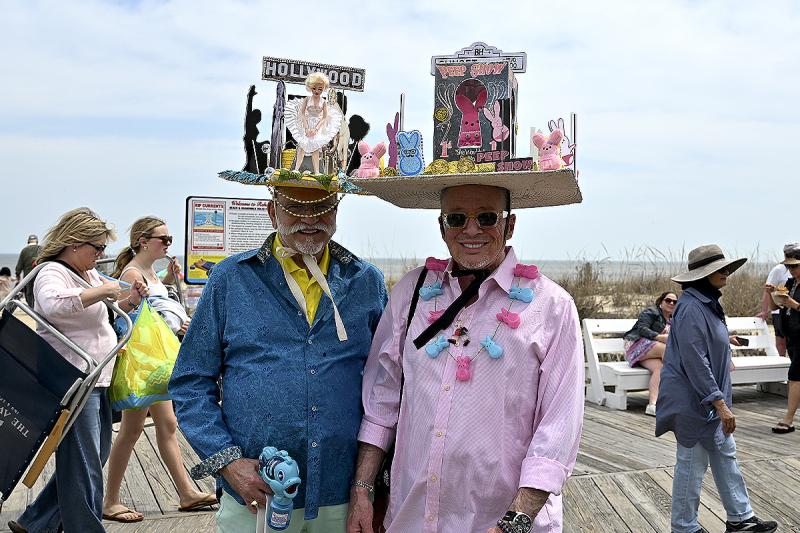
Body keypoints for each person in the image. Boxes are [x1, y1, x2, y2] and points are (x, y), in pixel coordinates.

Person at [347, 175, 584, 532]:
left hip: (502, 522)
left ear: (510, 224)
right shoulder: (411, 292)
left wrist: (514, 522)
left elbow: (558, 427)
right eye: (456, 218)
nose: (471, 230)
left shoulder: (552, 307)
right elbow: (381, 402)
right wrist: (362, 490)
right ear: (442, 227)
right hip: (412, 519)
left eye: (486, 217)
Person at [169, 173, 387, 533]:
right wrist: (228, 463)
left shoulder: (366, 281)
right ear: (272, 212)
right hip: (255, 493)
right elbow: (190, 383)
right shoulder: (229, 280)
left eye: (322, 207)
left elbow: (388, 387)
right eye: (294, 208)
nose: (309, 219)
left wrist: (366, 485)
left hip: (343, 494)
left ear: (337, 211)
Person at [8, 208, 147, 533]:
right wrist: (103, 291)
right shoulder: (51, 272)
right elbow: (54, 304)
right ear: (73, 243)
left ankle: (37, 522)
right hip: (71, 378)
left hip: (94, 377)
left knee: (93, 455)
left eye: (102, 249)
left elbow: (107, 311)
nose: (101, 255)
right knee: (84, 464)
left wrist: (132, 301)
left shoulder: (86, 274)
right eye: (96, 248)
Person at [656, 244, 778, 533]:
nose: (726, 273)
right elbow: (694, 360)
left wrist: (726, 344)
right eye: (719, 269)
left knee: (725, 456)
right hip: (694, 400)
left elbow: (706, 343)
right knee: (691, 464)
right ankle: (684, 527)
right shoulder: (691, 307)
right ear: (703, 275)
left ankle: (740, 518)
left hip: (710, 397)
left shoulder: (706, 302)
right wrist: (719, 403)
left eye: (726, 268)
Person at [101, 216, 215, 524]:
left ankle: (186, 492)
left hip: (157, 361)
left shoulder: (148, 271)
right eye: (163, 239)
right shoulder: (131, 271)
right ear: (143, 241)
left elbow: (155, 303)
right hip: (145, 362)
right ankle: (110, 500)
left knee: (167, 425)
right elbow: (125, 310)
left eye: (169, 239)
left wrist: (167, 280)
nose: (167, 243)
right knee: (132, 430)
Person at [623, 291, 678, 416]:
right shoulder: (651, 312)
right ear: (661, 302)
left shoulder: (673, 320)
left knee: (659, 369)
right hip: (636, 345)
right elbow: (642, 329)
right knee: (668, 351)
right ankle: (675, 396)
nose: (671, 303)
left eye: (674, 302)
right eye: (668, 300)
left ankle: (652, 405)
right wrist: (658, 337)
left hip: (650, 351)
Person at [285, 72, 343, 174]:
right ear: (310, 87)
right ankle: (296, 169)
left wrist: (317, 129)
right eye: (314, 88)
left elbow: (324, 117)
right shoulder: (307, 99)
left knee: (316, 148)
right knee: (302, 146)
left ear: (323, 89)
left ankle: (316, 171)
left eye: (320, 89)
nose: (317, 91)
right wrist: (306, 128)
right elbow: (302, 114)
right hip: (306, 124)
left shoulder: (323, 102)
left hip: (317, 126)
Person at [769, 251, 800, 434]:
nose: (791, 269)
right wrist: (771, 294)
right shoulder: (790, 283)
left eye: (795, 266)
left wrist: (793, 303)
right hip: (792, 334)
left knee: (794, 376)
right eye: (789, 266)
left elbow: (793, 305)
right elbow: (776, 307)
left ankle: (788, 419)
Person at [758, 242, 798, 357]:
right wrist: (765, 311)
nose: (791, 268)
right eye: (789, 253)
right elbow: (768, 290)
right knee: (782, 341)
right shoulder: (779, 270)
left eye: (795, 253)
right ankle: (782, 363)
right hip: (779, 311)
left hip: (793, 312)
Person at [15, 234, 40, 307]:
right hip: (39, 274)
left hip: (28, 276)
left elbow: (19, 266)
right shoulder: (41, 249)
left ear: (28, 241)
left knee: (29, 293)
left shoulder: (24, 251)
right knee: (38, 291)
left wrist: (17, 275)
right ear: (37, 241)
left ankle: (32, 308)